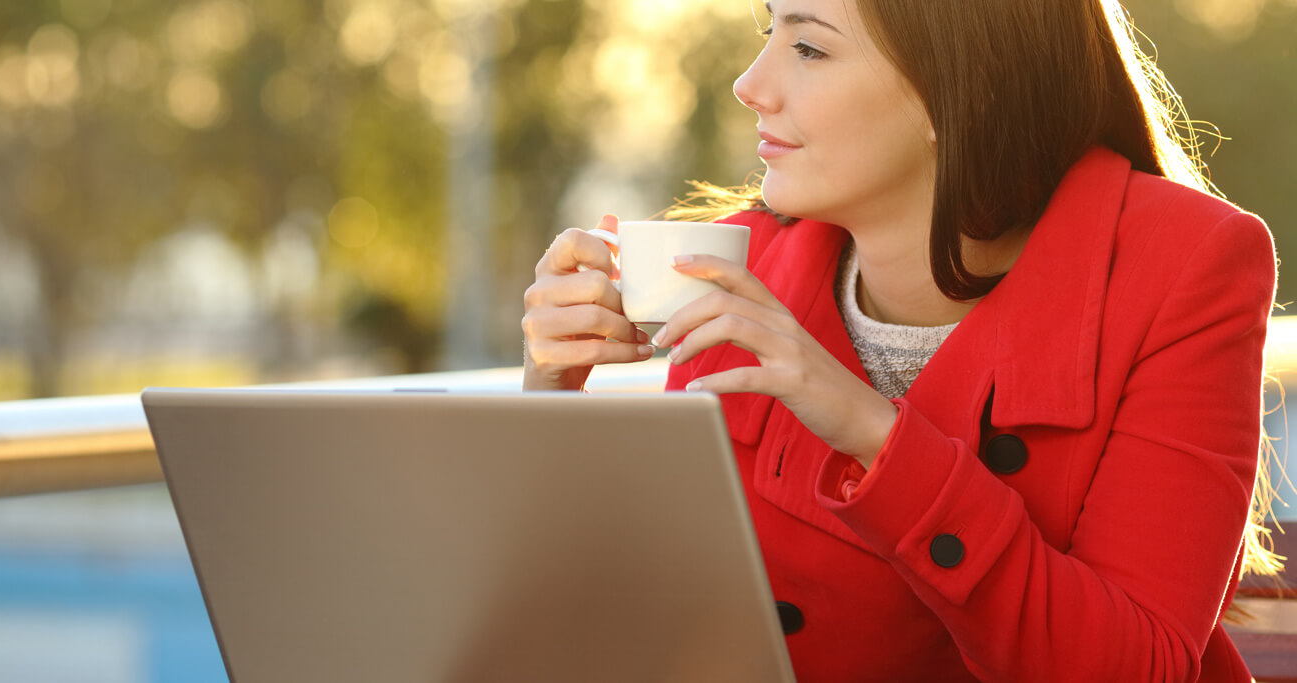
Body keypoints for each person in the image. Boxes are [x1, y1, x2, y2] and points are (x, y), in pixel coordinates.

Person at [521, 0, 1278, 680]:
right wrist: (549, 400)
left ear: (966, 85)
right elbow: (653, 624)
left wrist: (873, 434)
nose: (750, 84)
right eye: (767, 32)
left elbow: (1136, 666)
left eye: (808, 48)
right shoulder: (730, 271)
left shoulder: (1187, 266)